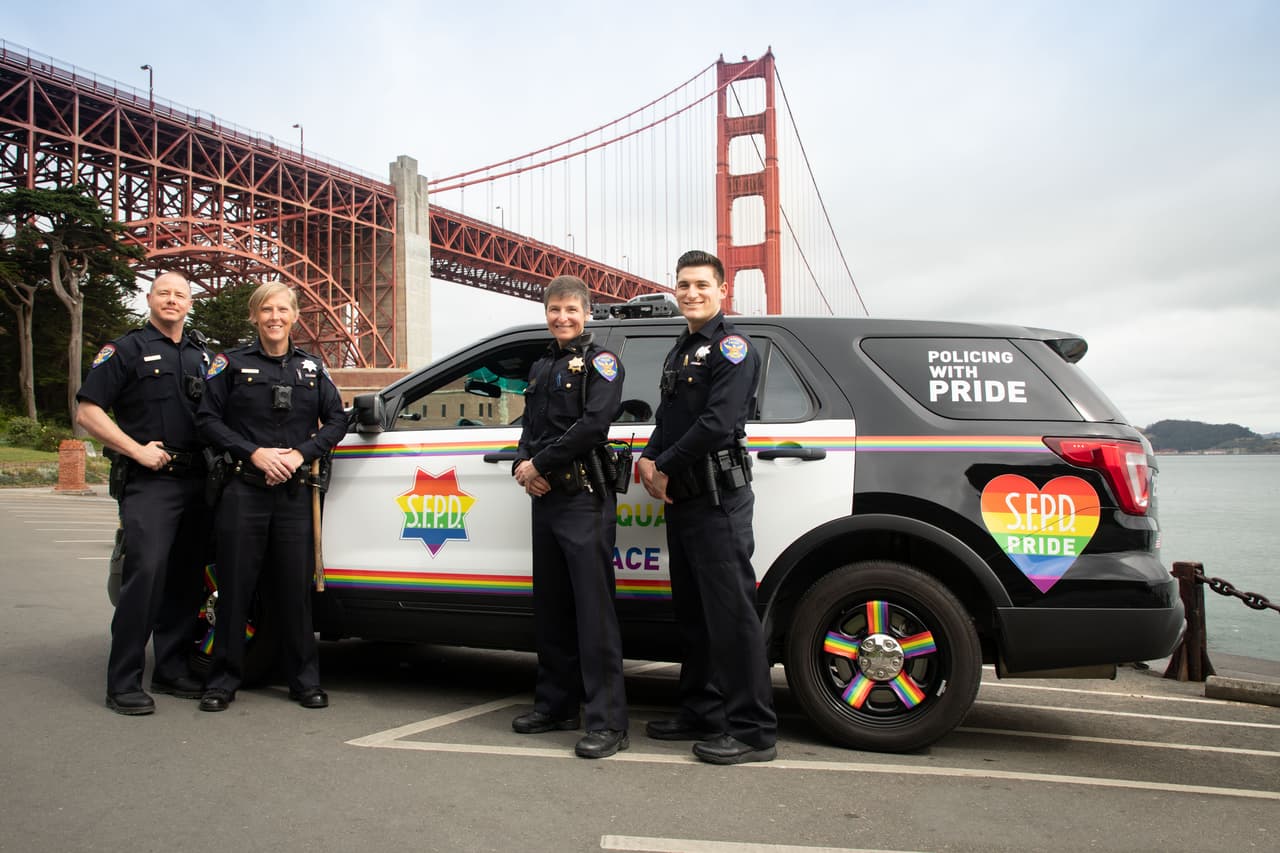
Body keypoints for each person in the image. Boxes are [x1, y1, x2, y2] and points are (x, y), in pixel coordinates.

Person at [636, 250, 778, 764]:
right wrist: (649, 458)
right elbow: (671, 417)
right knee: (694, 613)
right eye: (683, 285)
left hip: (719, 499)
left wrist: (666, 463)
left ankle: (753, 730)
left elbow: (718, 423)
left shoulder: (732, 348)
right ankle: (702, 710)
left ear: (723, 292)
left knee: (732, 615)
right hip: (686, 498)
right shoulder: (682, 350)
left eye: (701, 284)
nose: (691, 293)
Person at [195, 281, 346, 712]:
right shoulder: (229, 363)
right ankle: (222, 681)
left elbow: (336, 421)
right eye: (266, 310)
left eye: (282, 310)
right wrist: (254, 453)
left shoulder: (313, 370)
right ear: (254, 316)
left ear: (295, 316)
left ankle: (304, 681)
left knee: (294, 593)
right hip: (244, 488)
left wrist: (302, 454)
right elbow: (206, 418)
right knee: (236, 588)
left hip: (294, 493)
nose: (274, 317)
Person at [76, 271, 211, 715]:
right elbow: (88, 411)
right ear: (150, 298)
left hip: (198, 479)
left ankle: (170, 670)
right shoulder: (125, 350)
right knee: (146, 576)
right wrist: (135, 450)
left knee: (186, 580)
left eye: (181, 295)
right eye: (164, 293)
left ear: (190, 303)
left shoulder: (202, 355)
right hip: (151, 479)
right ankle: (123, 682)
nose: (172, 300)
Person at [511, 275, 630, 759]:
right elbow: (531, 426)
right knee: (553, 608)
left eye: (571, 310)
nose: (562, 318)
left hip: (583, 498)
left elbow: (594, 425)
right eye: (554, 310)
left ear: (587, 314)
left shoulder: (601, 362)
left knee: (593, 613)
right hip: (547, 497)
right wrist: (524, 466)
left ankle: (608, 722)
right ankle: (556, 705)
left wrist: (540, 463)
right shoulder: (541, 366)